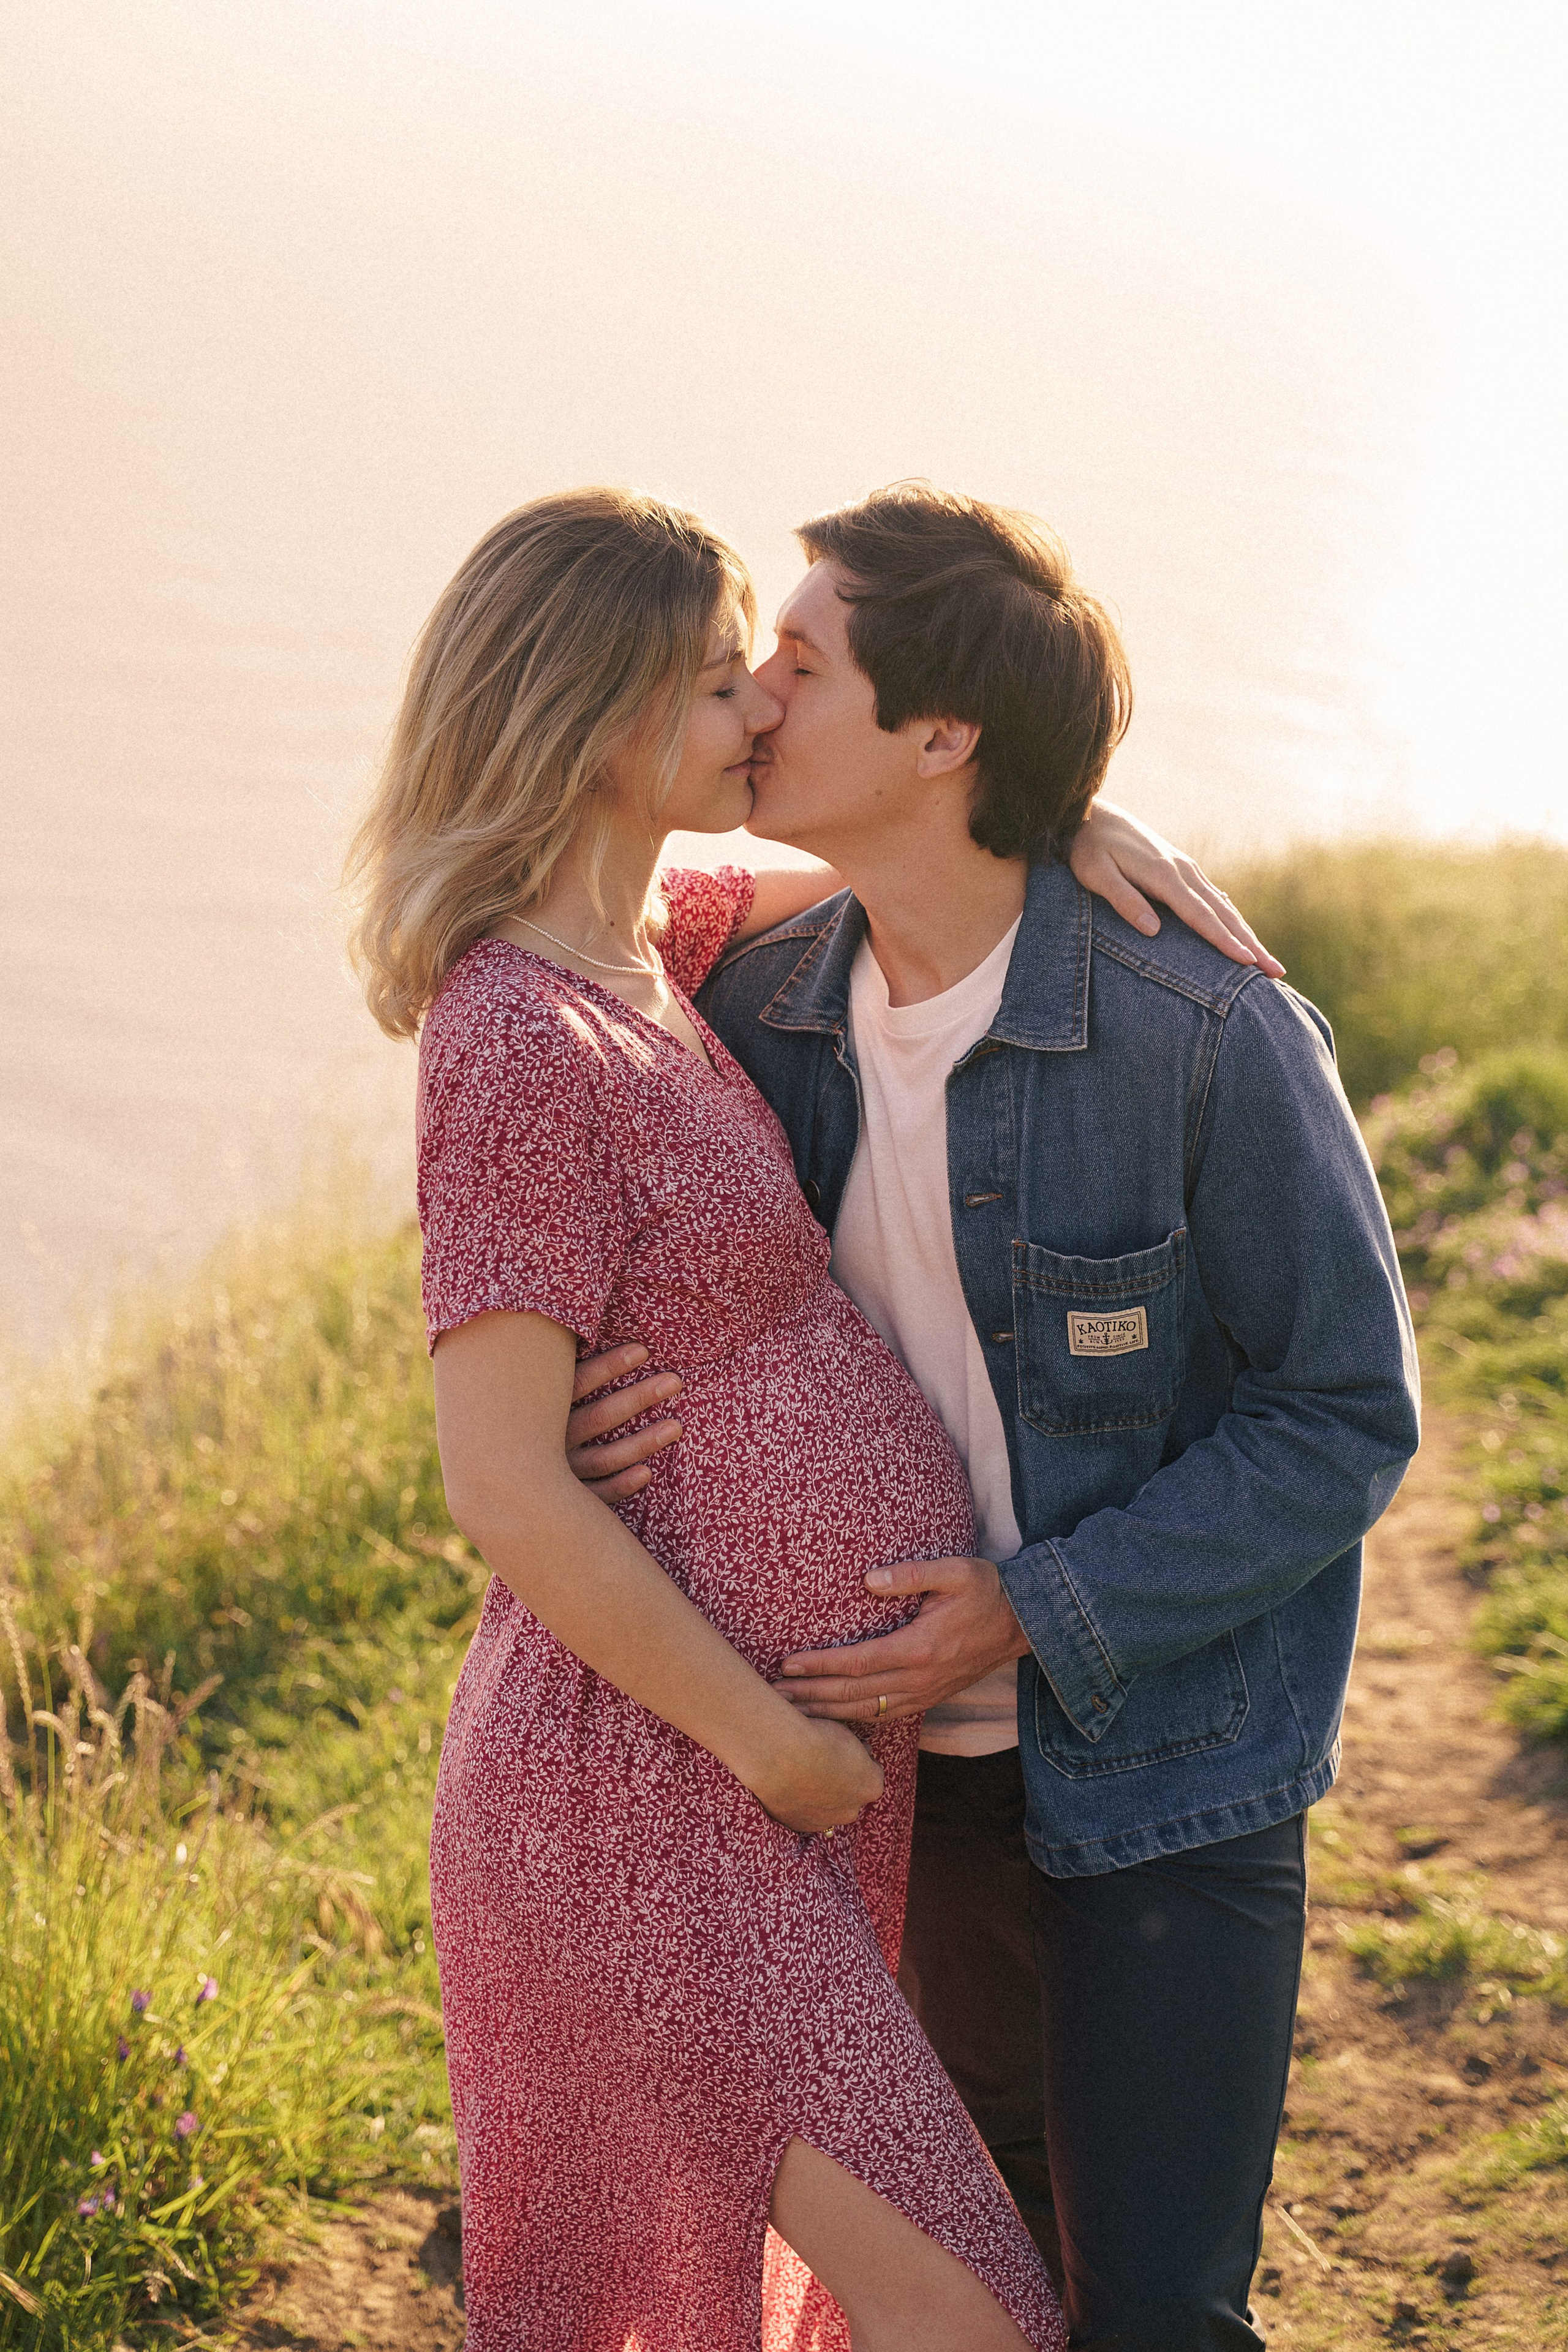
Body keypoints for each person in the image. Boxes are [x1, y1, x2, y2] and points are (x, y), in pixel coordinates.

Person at [343, 486, 1248, 2352]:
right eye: (711, 680)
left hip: (745, 1790)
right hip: (648, 1807)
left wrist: (1071, 812)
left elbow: (894, 873)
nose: (759, 704)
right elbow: (504, 1485)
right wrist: (773, 1744)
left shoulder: (645, 949)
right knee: (970, 2312)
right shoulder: (514, 1033)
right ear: (593, 713)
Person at [567, 483, 1422, 2351]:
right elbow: (543, 1045)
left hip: (1171, 1779)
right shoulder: (749, 1007)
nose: (756, 698)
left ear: (941, 734)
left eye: (802, 664)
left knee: (1154, 2312)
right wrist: (584, 1418)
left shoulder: (1202, 1031)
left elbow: (1345, 1412)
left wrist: (1037, 1609)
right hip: (893, 1789)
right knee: (985, 2297)